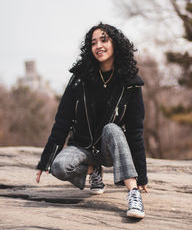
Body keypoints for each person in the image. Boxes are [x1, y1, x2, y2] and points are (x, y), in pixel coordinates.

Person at [36, 22, 148, 219]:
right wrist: (45, 161)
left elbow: (135, 131)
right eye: (93, 42)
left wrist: (142, 175)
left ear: (116, 45)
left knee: (113, 129)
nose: (98, 46)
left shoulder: (130, 82)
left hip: (109, 149)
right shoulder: (80, 78)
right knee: (59, 166)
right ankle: (92, 170)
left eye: (104, 40)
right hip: (82, 146)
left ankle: (133, 194)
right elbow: (62, 120)